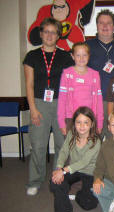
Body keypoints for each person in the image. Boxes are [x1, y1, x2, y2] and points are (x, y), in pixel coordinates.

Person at [23, 17, 74, 196]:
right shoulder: (32, 56)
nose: (49, 35)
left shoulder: (66, 56)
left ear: (58, 35)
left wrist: (68, 111)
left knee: (62, 145)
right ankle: (35, 180)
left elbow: (70, 86)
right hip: (39, 104)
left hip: (61, 103)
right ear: (41, 34)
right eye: (46, 31)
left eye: (53, 32)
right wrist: (33, 109)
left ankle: (57, 178)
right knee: (38, 144)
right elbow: (28, 85)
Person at [50, 106, 101, 212]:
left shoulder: (96, 141)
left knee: (89, 204)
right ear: (74, 123)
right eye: (78, 122)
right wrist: (59, 169)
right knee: (55, 182)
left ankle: (79, 194)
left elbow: (84, 162)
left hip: (90, 172)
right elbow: (63, 152)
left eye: (85, 122)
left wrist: (63, 171)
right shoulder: (71, 135)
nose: (82, 126)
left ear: (92, 124)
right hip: (74, 170)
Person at [86, 9, 114, 139]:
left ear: (113, 26)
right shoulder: (87, 46)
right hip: (94, 100)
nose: (104, 26)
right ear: (97, 25)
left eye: (108, 23)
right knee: (93, 139)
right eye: (101, 23)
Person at [57, 42, 103, 136]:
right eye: (78, 55)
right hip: (71, 118)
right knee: (72, 148)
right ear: (72, 56)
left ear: (89, 56)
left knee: (89, 147)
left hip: (90, 118)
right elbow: (62, 99)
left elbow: (99, 100)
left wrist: (100, 123)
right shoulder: (67, 74)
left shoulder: (95, 75)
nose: (81, 58)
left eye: (84, 55)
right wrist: (61, 122)